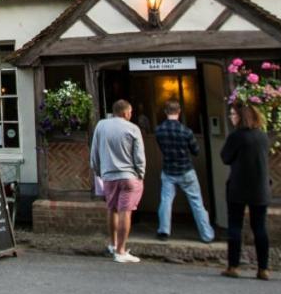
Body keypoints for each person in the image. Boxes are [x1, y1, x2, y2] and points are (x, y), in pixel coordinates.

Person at [89, 98, 145, 264]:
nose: (131, 115)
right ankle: (121, 251)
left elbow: (94, 152)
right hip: (128, 176)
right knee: (125, 212)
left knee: (112, 209)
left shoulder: (101, 125)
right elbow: (139, 156)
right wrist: (140, 174)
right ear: (125, 112)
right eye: (130, 112)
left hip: (108, 176)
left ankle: (113, 244)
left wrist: (99, 171)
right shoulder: (133, 128)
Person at [220, 100, 271, 280]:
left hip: (239, 186)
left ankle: (233, 266)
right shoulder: (263, 136)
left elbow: (225, 157)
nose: (231, 118)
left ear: (241, 117)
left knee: (235, 226)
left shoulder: (236, 137)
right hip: (260, 187)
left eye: (233, 115)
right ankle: (263, 268)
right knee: (260, 228)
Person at [154, 100, 215, 243]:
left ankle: (164, 231)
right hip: (186, 169)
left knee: (166, 200)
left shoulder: (159, 130)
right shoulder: (186, 131)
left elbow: (162, 148)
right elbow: (195, 151)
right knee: (196, 202)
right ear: (179, 111)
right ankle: (206, 234)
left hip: (168, 170)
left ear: (165, 112)